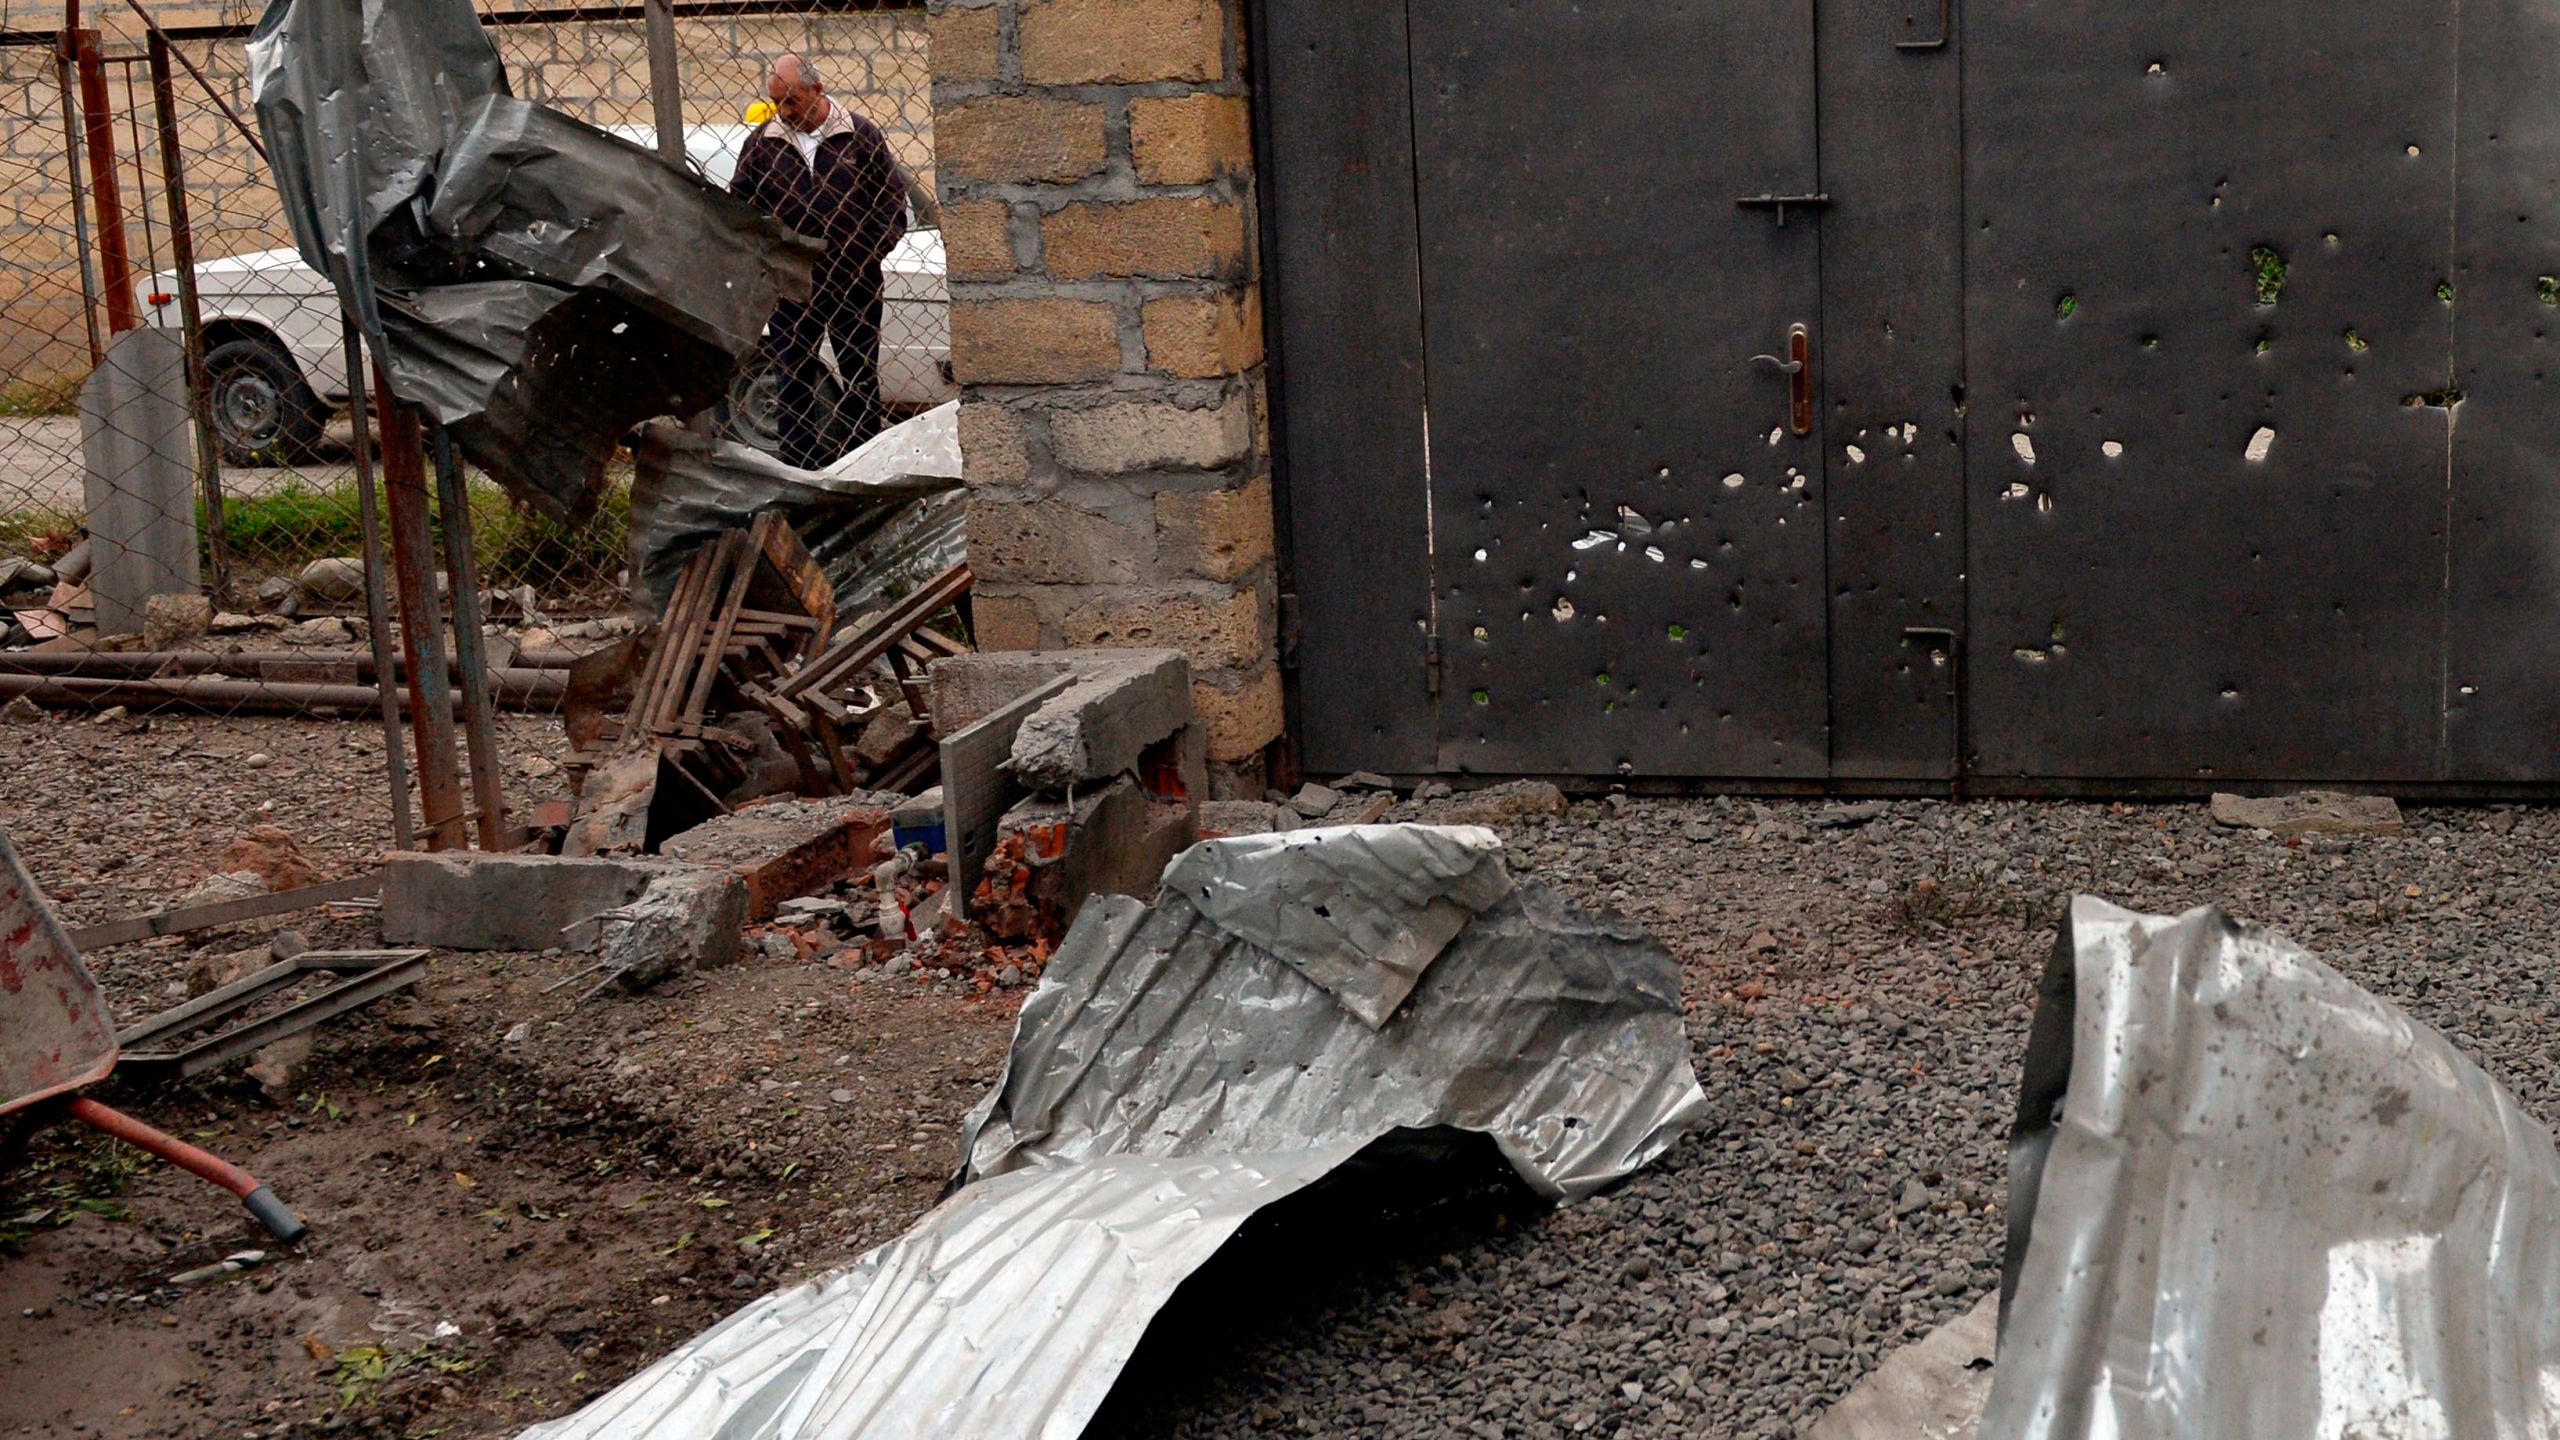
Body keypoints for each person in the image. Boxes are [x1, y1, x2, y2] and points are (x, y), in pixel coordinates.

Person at [729, 54, 906, 468]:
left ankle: (865, 463)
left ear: (817, 91)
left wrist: (868, 253)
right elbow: (741, 210)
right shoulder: (761, 144)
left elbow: (891, 202)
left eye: (792, 101)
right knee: (794, 379)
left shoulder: (860, 135)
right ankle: (798, 471)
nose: (784, 112)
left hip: (855, 280)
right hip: (792, 284)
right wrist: (770, 263)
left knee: (859, 376)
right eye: (777, 102)